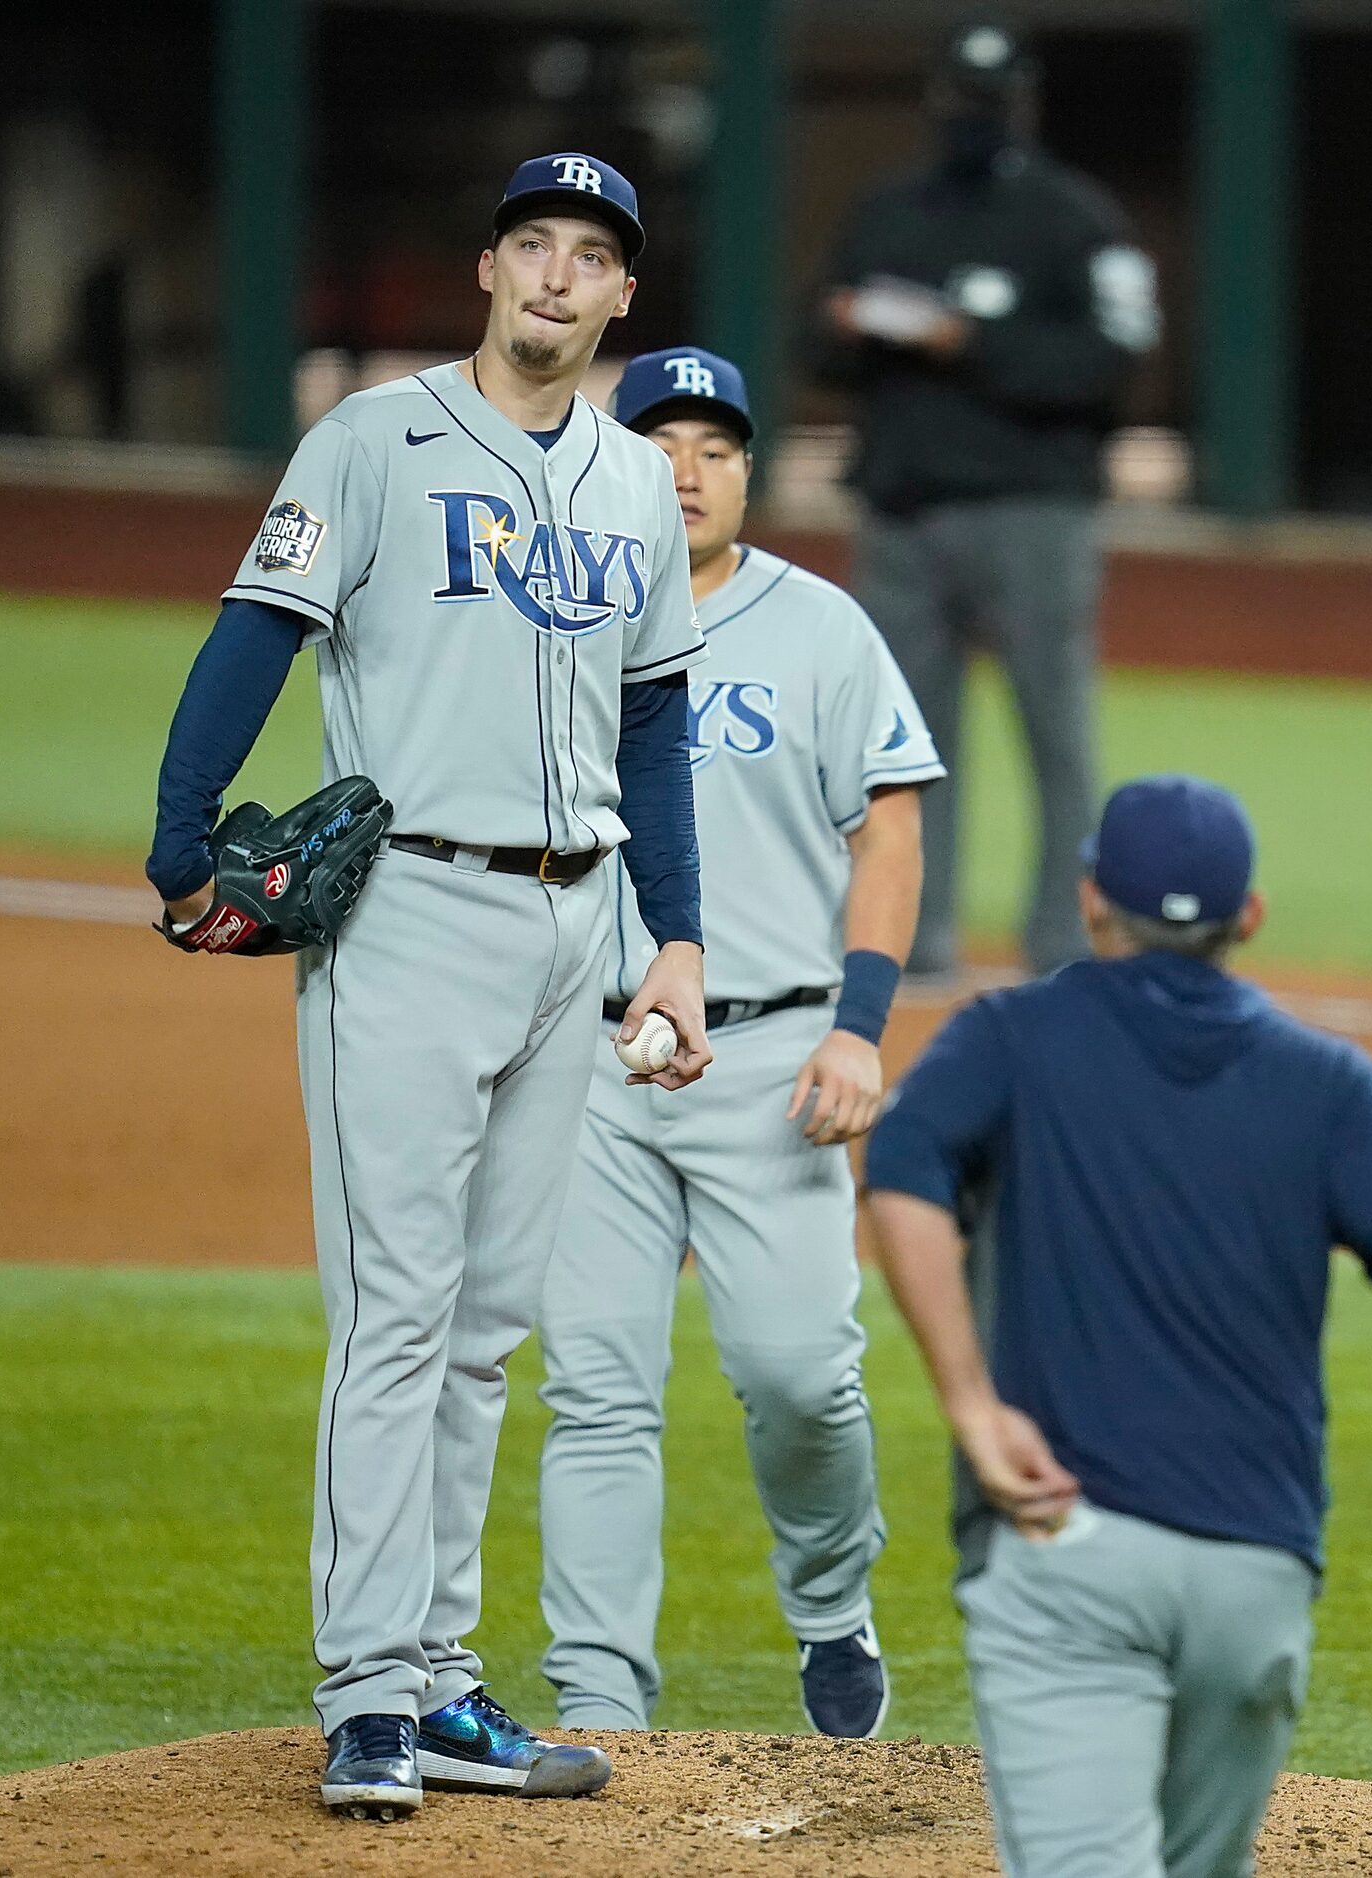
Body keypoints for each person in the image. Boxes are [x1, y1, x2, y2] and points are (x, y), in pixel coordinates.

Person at [145, 152, 713, 1819]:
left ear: (621, 296)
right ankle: (362, 1697)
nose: (555, 274)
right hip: (402, 916)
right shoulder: (371, 444)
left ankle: (443, 1681)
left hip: (573, 927)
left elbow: (656, 728)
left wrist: (673, 937)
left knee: (483, 1330)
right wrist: (180, 839)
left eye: (588, 256)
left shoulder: (629, 485)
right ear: (486, 268)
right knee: (395, 1316)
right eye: (531, 243)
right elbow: (256, 632)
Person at [862, 775, 1372, 1878]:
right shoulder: (1333, 1085)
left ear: (1093, 899)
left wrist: (969, 1401)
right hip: (1259, 1578)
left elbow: (901, 1171)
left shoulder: (1011, 1036)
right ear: (1248, 920)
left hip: (1071, 1553)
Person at [533, 345, 943, 1740]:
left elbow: (888, 826)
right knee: (593, 1386)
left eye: (717, 445)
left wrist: (860, 1030)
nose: (689, 468)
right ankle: (598, 1695)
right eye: (660, 441)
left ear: (751, 471)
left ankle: (833, 1608)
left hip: (775, 1061)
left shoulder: (821, 627)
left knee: (799, 1378)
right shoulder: (552, 624)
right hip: (584, 1061)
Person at [809, 14, 1160, 981]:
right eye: (962, 100)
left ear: (1023, 107)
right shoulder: (888, 212)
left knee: (1057, 733)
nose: (974, 118)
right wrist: (852, 329)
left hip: (1032, 512)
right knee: (906, 746)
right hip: (904, 511)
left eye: (991, 102)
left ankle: (1060, 940)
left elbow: (1109, 361)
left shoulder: (1075, 219)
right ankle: (914, 935)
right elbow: (815, 341)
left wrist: (966, 343)